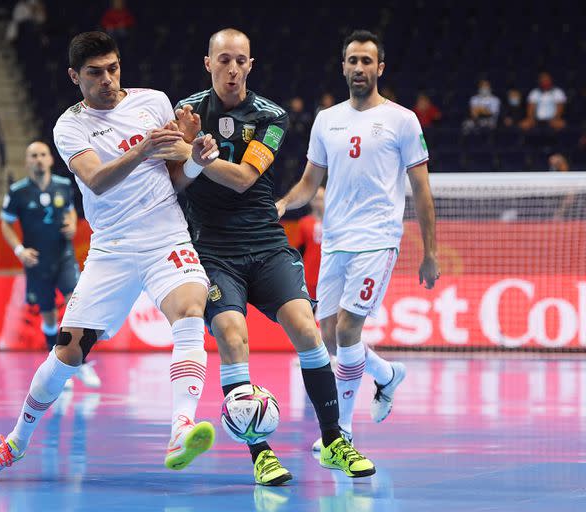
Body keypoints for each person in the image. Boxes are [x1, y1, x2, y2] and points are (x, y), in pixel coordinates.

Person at [0, 31, 219, 481]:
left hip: (166, 237)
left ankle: (181, 427)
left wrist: (195, 158)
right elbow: (97, 181)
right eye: (95, 73)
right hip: (112, 247)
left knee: (190, 312)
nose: (107, 79)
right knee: (67, 352)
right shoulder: (70, 126)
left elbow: (175, 180)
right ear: (74, 76)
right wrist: (144, 148)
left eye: (113, 68)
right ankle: (15, 443)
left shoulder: (155, 102)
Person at [174, 28, 375, 482]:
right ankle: (260, 453)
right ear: (208, 63)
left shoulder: (271, 115)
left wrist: (196, 153)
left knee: (307, 329)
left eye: (240, 60)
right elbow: (174, 181)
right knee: (230, 333)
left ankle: (334, 440)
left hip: (265, 243)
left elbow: (245, 178)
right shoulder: (184, 112)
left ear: (250, 65)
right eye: (223, 59)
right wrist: (187, 156)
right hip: (211, 250)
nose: (232, 68)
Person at [276, 30, 439, 451]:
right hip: (336, 241)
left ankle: (340, 433)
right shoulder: (327, 120)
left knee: (349, 330)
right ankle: (386, 375)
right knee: (328, 337)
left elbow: (421, 188)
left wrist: (430, 253)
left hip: (378, 238)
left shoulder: (402, 119)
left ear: (379, 68)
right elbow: (309, 183)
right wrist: (281, 205)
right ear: (343, 66)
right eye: (353, 60)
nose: (360, 68)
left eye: (367, 61)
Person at [0, 141, 101, 388]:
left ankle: (82, 364)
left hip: (63, 256)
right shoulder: (18, 191)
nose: (38, 159)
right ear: (27, 161)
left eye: (43, 155)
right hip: (37, 260)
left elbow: (70, 211)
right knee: (47, 314)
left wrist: (71, 223)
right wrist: (19, 250)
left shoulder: (64, 186)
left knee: (76, 304)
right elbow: (6, 224)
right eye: (33, 155)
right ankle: (55, 365)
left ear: (50, 159)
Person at [294, 186, 324, 299]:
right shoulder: (304, 222)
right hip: (309, 274)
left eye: (322, 199)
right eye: (316, 199)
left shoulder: (334, 223)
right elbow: (298, 250)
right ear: (311, 201)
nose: (319, 203)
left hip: (328, 272)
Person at [548, 153, 576, 219]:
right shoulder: (553, 169)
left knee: (570, 194)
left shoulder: (565, 170)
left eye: (554, 160)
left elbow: (570, 192)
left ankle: (560, 213)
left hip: (565, 193)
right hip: (554, 192)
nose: (551, 162)